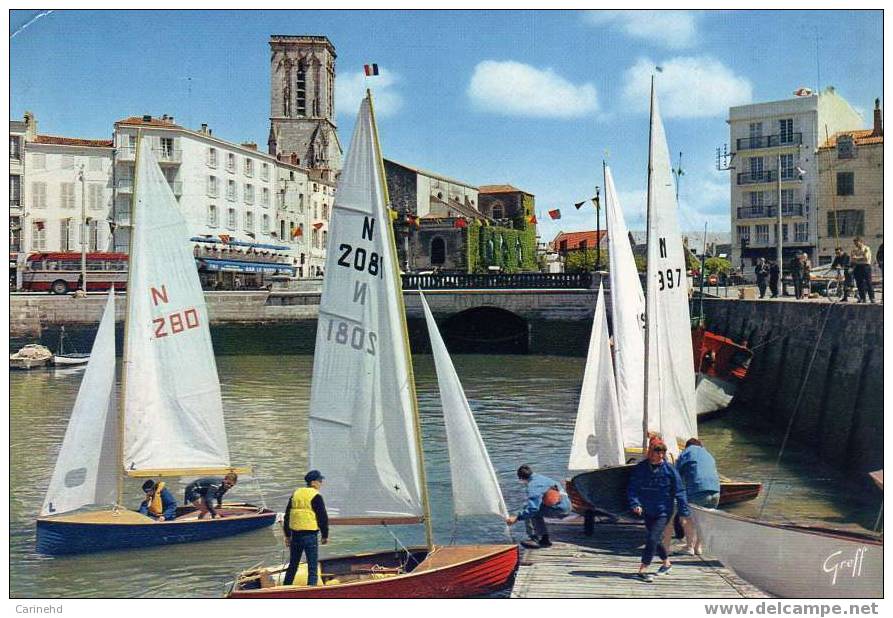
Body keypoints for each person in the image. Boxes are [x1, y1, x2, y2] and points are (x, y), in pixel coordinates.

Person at [627, 437, 690, 583]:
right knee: (656, 538)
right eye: (657, 451)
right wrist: (635, 503)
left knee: (652, 538)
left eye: (663, 452)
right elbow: (633, 488)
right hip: (647, 509)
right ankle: (666, 563)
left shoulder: (670, 470)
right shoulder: (640, 468)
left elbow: (680, 491)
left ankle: (643, 568)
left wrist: (683, 513)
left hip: (664, 510)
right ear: (651, 452)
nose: (660, 455)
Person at [505, 464, 570, 549]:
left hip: (560, 509)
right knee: (532, 509)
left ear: (521, 478)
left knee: (531, 512)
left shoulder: (533, 485)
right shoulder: (542, 478)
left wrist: (517, 518)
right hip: (567, 506)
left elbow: (533, 509)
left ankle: (536, 539)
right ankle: (543, 538)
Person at [282, 470, 329, 587]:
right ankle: (311, 591)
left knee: (293, 565)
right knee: (312, 567)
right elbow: (323, 518)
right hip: (310, 536)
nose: (321, 483)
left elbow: (287, 516)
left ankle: (285, 587)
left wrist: (287, 535)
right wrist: (325, 535)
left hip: (295, 535)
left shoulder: (296, 494)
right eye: (320, 481)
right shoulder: (316, 496)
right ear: (313, 482)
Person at [675, 438, 721, 555]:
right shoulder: (708, 454)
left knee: (688, 518)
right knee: (704, 520)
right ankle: (698, 547)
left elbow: (676, 474)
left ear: (687, 446)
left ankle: (689, 547)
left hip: (698, 489)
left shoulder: (686, 452)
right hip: (716, 490)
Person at [851, 237, 875, 303]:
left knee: (868, 282)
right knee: (859, 283)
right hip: (857, 267)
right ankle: (862, 298)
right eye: (855, 243)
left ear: (861, 242)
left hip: (865, 266)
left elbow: (866, 258)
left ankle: (872, 298)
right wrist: (859, 258)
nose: (855, 244)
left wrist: (857, 258)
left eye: (857, 243)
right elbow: (852, 259)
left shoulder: (866, 248)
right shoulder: (854, 250)